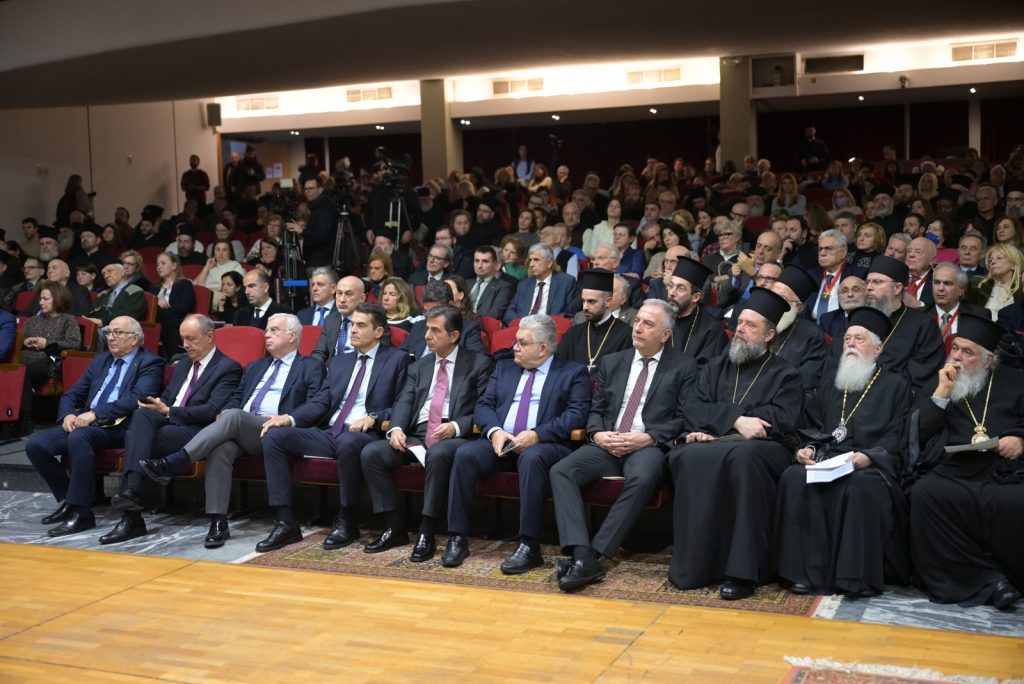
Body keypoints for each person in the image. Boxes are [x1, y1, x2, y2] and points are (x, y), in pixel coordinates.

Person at [137, 314, 324, 548]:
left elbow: (316, 404)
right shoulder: (256, 366)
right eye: (267, 330)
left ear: (292, 336)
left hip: (278, 430)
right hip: (244, 429)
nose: (266, 334)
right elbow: (236, 397)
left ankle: (175, 461)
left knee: (233, 416)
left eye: (274, 330)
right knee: (222, 447)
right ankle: (218, 522)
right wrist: (225, 412)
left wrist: (287, 419)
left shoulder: (310, 366)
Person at [667, 288, 803, 599]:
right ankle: (695, 567)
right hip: (715, 441)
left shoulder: (786, 374)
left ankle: (742, 572)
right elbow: (692, 407)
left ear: (769, 335)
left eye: (750, 325)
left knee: (743, 457)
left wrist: (722, 427)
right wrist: (737, 420)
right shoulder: (715, 367)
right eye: (740, 322)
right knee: (688, 456)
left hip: (765, 448)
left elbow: (782, 418)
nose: (739, 329)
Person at [550, 300, 696, 591]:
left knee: (643, 477)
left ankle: (596, 554)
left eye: (648, 324)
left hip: (647, 446)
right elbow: (596, 409)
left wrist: (650, 437)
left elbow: (685, 417)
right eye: (637, 321)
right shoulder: (613, 361)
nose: (637, 328)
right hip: (608, 442)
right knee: (561, 470)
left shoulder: (683, 366)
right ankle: (581, 552)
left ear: (665, 335)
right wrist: (597, 434)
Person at [774, 307, 912, 596]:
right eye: (847, 338)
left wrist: (870, 456)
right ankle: (803, 573)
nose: (850, 344)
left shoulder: (896, 385)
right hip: (830, 457)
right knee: (794, 477)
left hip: (870, 463)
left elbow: (897, 433)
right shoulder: (831, 383)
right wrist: (808, 449)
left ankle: (853, 578)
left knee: (860, 487)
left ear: (878, 349)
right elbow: (814, 426)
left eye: (859, 339)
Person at [443, 315, 590, 572]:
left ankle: (529, 545)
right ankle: (457, 536)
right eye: (515, 341)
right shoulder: (504, 368)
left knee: (532, 458)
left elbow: (576, 415)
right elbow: (484, 405)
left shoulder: (572, 372)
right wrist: (495, 432)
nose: (515, 347)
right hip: (504, 441)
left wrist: (537, 434)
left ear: (542, 348)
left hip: (545, 445)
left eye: (522, 343)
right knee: (465, 454)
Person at [258, 304, 410, 552]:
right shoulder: (340, 361)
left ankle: (347, 519)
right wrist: (290, 418)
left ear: (378, 331)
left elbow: (404, 403)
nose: (353, 330)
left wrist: (374, 417)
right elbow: (321, 401)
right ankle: (286, 523)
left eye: (361, 325)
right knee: (275, 436)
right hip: (331, 432)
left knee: (348, 442)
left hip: (367, 434)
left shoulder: (396, 359)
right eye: (352, 324)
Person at [359, 305, 493, 561]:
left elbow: (485, 408)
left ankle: (427, 530)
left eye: (435, 330)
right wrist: (396, 428)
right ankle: (394, 527)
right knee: (371, 453)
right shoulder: (419, 366)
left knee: (439, 454)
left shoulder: (478, 364)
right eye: (427, 329)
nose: (427, 336)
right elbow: (405, 401)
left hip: (454, 435)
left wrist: (456, 426)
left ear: (454, 336)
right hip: (418, 434)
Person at [911, 314, 1024, 610]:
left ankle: (1010, 578)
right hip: (956, 469)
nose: (957, 357)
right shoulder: (942, 381)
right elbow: (919, 433)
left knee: (1017, 501)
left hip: (1004, 471)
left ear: (988, 361)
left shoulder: (1016, 382)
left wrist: (1020, 439)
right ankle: (987, 580)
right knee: (924, 494)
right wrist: (941, 395)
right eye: (955, 348)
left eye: (967, 352)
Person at [102, 315, 242, 544]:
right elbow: (168, 397)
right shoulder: (184, 364)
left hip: (199, 431)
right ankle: (132, 492)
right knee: (141, 415)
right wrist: (157, 405)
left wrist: (168, 411)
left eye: (191, 339)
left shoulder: (228, 368)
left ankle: (132, 513)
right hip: (168, 422)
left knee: (137, 438)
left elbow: (212, 411)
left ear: (209, 336)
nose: (185, 345)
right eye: (182, 339)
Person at [24, 317, 163, 537]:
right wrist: (68, 415)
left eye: (118, 332)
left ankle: (82, 513)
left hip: (121, 426)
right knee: (36, 445)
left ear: (134, 339)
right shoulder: (101, 360)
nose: (110, 337)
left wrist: (96, 414)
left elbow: (137, 399)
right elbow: (72, 394)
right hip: (87, 421)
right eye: (108, 332)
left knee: (80, 437)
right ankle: (70, 500)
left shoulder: (150, 363)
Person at [860, 255, 945, 394]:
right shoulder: (858, 320)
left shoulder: (923, 325)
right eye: (867, 282)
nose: (869, 287)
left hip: (895, 397)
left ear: (897, 288)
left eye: (877, 282)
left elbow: (922, 373)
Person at [19, 282, 82, 428]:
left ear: (58, 299)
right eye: (40, 299)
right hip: (24, 359)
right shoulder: (34, 319)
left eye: (45, 299)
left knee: (27, 371)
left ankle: (24, 419)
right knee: (16, 370)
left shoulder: (68, 319)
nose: (40, 302)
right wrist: (25, 341)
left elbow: (75, 344)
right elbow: (18, 338)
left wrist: (47, 343)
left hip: (51, 362)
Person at [555, 270, 633, 374]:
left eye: (591, 301)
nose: (585, 307)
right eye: (583, 301)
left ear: (608, 301)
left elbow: (621, 374)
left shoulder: (626, 335)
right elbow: (558, 367)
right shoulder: (573, 333)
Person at [769, 265, 828, 392]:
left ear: (799, 307)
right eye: (772, 294)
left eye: (782, 298)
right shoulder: (756, 321)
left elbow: (807, 378)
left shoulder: (812, 335)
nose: (774, 301)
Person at [665, 259, 728, 366]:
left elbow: (706, 370)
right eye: (671, 286)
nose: (671, 293)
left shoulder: (712, 330)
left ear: (696, 297)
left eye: (680, 288)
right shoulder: (659, 318)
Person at [401, 281, 484, 358]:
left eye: (435, 311)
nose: (429, 317)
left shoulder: (469, 328)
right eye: (426, 312)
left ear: (451, 306)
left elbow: (478, 359)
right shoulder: (418, 326)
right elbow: (401, 355)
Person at [503, 243, 582, 324]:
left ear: (549, 263)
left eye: (536, 260)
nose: (531, 265)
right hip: (524, 326)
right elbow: (510, 312)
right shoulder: (524, 284)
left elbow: (569, 313)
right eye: (530, 260)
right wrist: (521, 323)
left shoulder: (566, 282)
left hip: (551, 327)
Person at [808, 230, 865, 321]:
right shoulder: (810, 275)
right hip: (810, 325)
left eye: (828, 248)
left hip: (841, 325)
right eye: (820, 249)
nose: (822, 253)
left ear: (843, 252)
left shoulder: (858, 274)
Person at [150, 252, 195, 359]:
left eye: (163, 263)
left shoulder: (184, 284)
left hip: (176, 320)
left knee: (169, 317)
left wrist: (165, 305)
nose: (159, 267)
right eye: (157, 265)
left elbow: (184, 306)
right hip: (156, 320)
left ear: (174, 266)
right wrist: (156, 301)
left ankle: (174, 356)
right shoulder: (153, 287)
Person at [312, 276, 367, 362]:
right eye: (339, 293)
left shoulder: (372, 321)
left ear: (362, 298)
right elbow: (319, 353)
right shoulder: (331, 319)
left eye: (349, 294)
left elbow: (380, 355)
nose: (342, 300)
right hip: (332, 369)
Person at [964, 244, 1024, 321]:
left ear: (1013, 264)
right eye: (990, 260)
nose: (993, 262)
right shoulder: (977, 285)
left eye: (999, 258)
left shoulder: (1021, 288)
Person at [85, 261, 148, 328]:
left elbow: (128, 316)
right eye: (103, 274)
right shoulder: (103, 294)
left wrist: (102, 321)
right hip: (97, 327)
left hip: (120, 329)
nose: (106, 276)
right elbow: (91, 311)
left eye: (110, 271)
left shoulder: (134, 291)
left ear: (122, 272)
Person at [467, 245, 514, 321]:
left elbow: (494, 314)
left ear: (496, 265)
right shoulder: (466, 283)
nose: (479, 266)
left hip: (480, 325)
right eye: (477, 261)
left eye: (485, 261)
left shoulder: (503, 287)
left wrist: (468, 319)